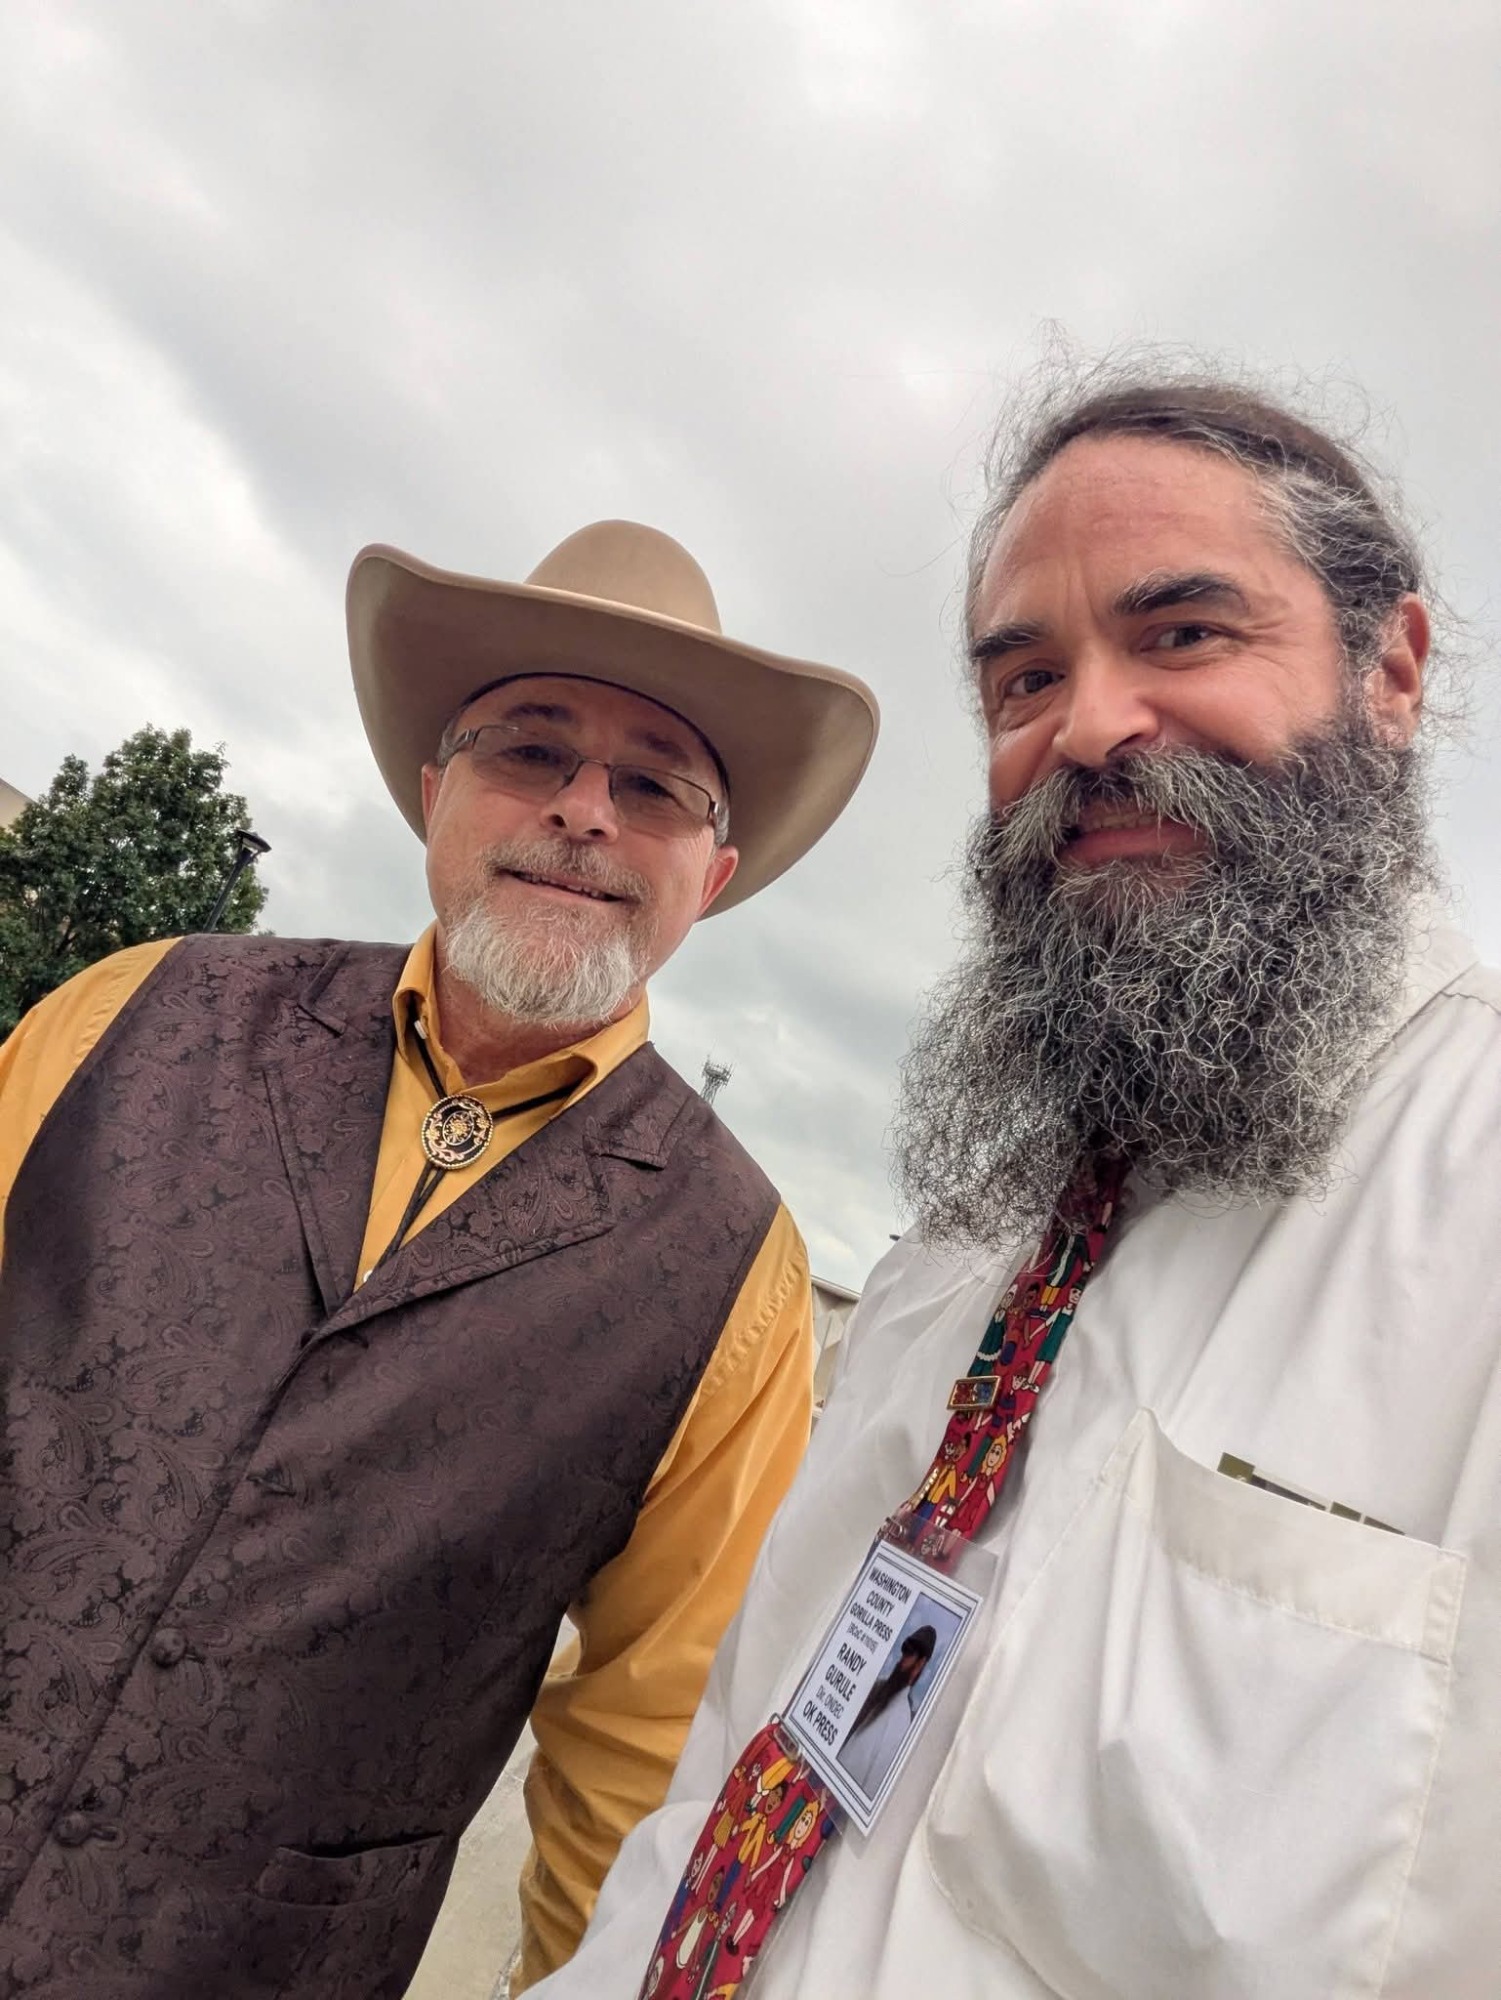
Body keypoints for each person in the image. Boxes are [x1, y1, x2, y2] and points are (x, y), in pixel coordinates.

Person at [528, 368, 1501, 2000]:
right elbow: (738, 1771)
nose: (1091, 727)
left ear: (1388, 672)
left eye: (1182, 633)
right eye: (1025, 678)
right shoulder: (970, 1244)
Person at [0, 520, 878, 2000]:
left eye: (654, 784)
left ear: (712, 872)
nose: (584, 810)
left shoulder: (739, 1276)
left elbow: (642, 1755)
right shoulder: (129, 1012)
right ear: (435, 793)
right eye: (530, 750)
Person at [836, 1624, 935, 1795]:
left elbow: (872, 1787)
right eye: (904, 1650)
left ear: (920, 1664)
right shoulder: (880, 1691)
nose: (902, 1659)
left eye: (910, 1653)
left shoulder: (900, 1720)